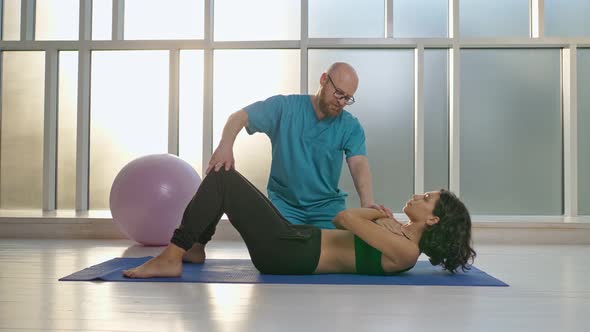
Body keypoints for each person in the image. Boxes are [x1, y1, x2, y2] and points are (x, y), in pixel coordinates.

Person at [123, 168, 476, 278]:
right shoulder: (395, 231)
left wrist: (375, 214)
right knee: (225, 178)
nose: (418, 196)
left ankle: (173, 254)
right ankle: (196, 246)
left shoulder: (406, 249)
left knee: (223, 179)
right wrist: (380, 217)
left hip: (291, 252)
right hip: (295, 239)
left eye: (427, 198)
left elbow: (344, 218)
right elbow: (350, 223)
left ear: (433, 219)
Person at [207, 62, 391, 230]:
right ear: (324, 80)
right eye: (339, 93)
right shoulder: (285, 108)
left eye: (348, 98)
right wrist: (225, 146)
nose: (341, 102)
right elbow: (238, 117)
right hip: (285, 204)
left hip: (327, 208)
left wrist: (367, 202)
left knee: (334, 255)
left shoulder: (350, 126)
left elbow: (359, 164)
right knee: (285, 253)